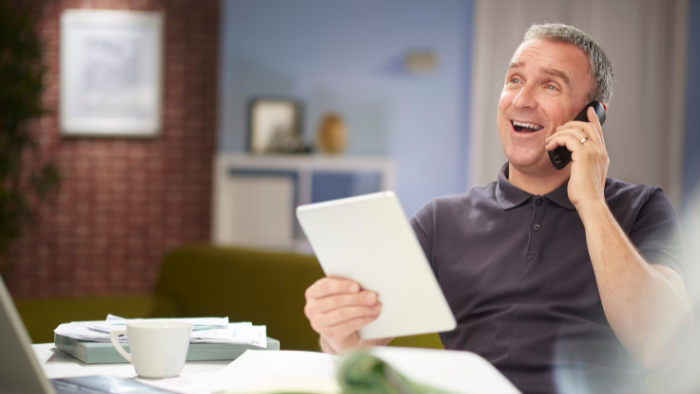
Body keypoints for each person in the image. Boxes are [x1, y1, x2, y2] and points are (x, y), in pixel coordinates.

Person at [303, 23, 693, 393]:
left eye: (550, 85)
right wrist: (337, 332)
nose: (522, 100)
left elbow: (660, 347)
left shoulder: (642, 208)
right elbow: (355, 344)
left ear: (592, 117)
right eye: (515, 80)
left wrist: (591, 201)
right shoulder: (440, 221)